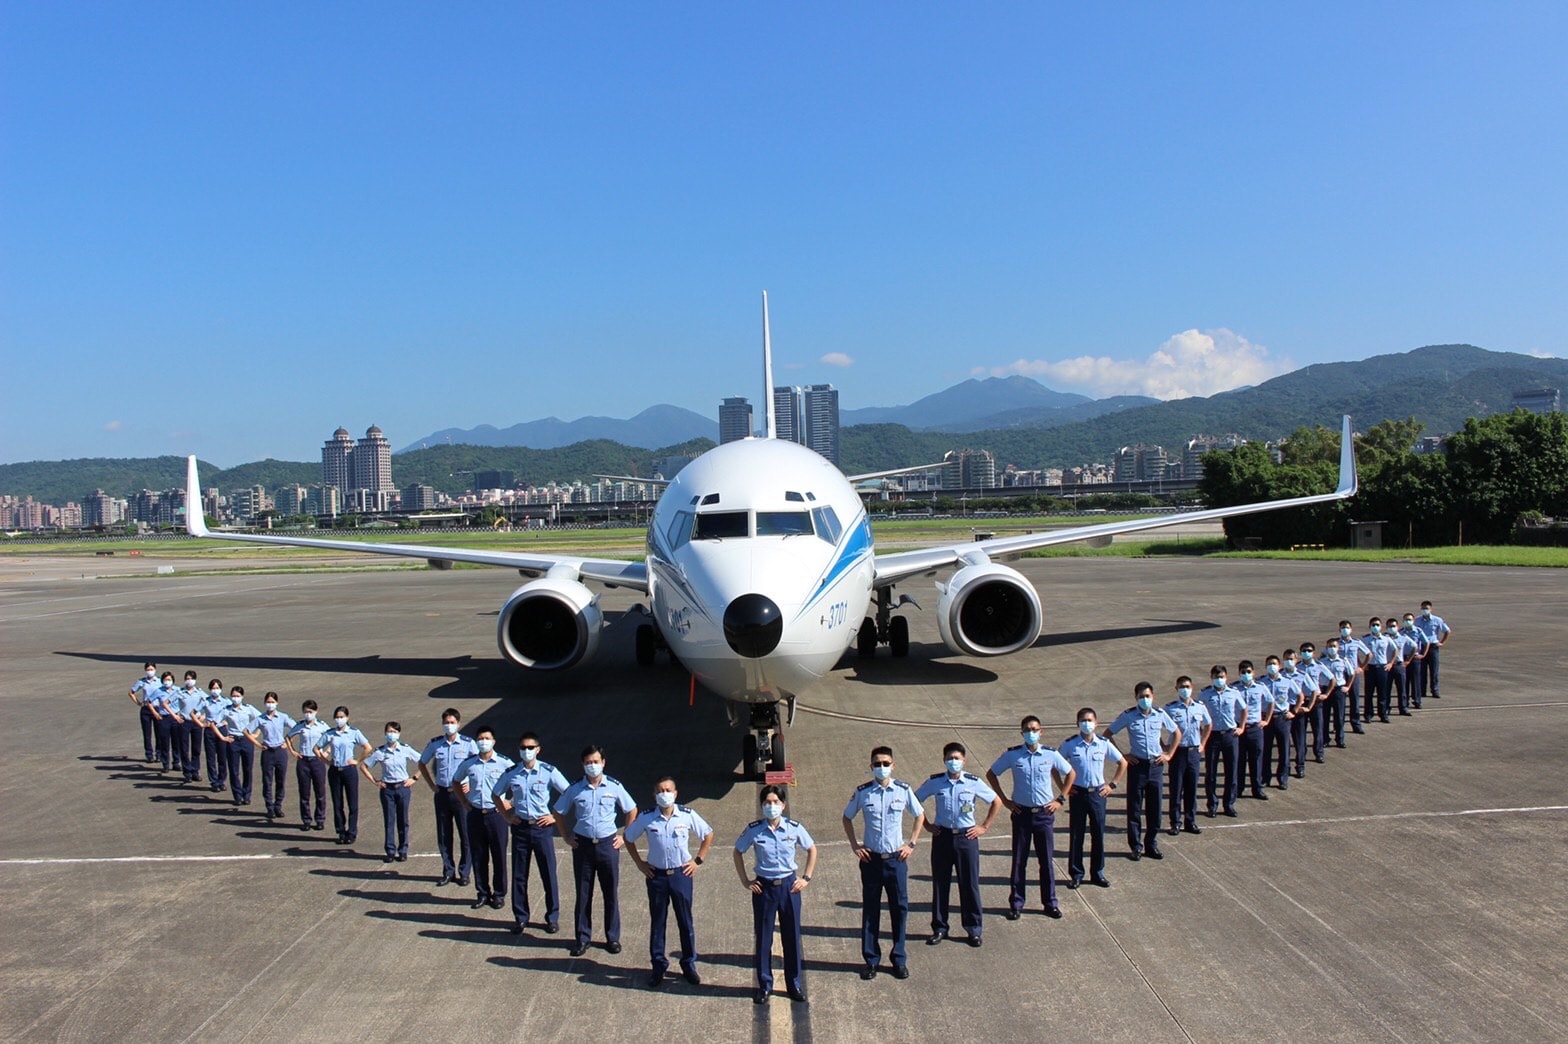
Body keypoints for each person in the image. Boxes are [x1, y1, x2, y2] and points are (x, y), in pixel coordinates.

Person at [843, 746, 925, 979]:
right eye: (877, 764)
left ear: (893, 765)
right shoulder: (863, 792)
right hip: (871, 860)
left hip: (896, 860)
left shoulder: (903, 790)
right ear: (871, 767)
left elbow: (919, 815)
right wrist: (855, 845)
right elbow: (847, 817)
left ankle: (899, 958)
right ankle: (871, 960)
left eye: (886, 763)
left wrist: (911, 844)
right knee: (871, 910)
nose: (882, 767)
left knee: (899, 909)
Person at [625, 777, 714, 988]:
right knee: (658, 922)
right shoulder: (647, 817)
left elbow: (708, 834)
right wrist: (640, 863)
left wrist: (698, 860)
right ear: (654, 795)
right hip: (657, 877)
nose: (664, 794)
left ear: (675, 793)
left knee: (685, 922)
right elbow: (628, 838)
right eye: (660, 791)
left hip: (681, 875)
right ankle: (658, 966)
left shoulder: (687, 815)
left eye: (667, 790)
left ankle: (688, 964)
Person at [733, 785, 817, 1005]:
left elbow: (811, 849)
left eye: (775, 802)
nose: (771, 806)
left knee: (792, 936)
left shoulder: (794, 828)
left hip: (789, 887)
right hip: (764, 887)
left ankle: (794, 983)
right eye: (767, 803)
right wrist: (745, 881)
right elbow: (738, 851)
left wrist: (806, 878)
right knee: (764, 938)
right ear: (762, 806)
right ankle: (764, 984)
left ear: (783, 805)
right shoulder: (754, 830)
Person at [553, 746, 638, 957]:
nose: (592, 766)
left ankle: (612, 937)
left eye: (596, 762)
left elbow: (631, 809)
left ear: (603, 763)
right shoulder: (575, 789)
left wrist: (624, 836)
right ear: (583, 765)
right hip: (583, 846)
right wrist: (566, 836)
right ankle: (583, 938)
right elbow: (558, 811)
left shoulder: (614, 786)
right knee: (583, 894)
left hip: (607, 845)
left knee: (610, 893)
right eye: (588, 762)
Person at [985, 718, 1073, 921]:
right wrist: (1005, 800)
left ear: (1041, 732)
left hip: (1044, 814)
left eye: (1034, 729)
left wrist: (1060, 799)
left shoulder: (1051, 754)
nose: (1031, 733)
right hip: (1021, 814)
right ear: (1021, 733)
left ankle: (1050, 903)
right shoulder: (1013, 755)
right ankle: (1016, 903)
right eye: (1027, 730)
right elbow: (992, 774)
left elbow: (1070, 773)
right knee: (1019, 861)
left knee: (1046, 861)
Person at [915, 742, 998, 947]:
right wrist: (927, 825)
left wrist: (984, 827)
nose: (953, 762)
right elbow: (915, 801)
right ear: (944, 761)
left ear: (964, 761)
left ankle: (973, 929)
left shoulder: (973, 782)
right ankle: (940, 928)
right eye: (950, 759)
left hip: (966, 838)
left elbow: (996, 801)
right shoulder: (935, 782)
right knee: (940, 884)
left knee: (969, 884)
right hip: (942, 837)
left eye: (957, 758)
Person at [493, 731, 568, 933]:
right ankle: (520, 917)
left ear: (538, 749)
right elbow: (496, 794)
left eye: (530, 747)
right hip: (520, 827)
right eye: (523, 748)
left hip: (542, 828)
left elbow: (569, 793)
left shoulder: (548, 771)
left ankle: (552, 917)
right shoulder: (512, 773)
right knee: (519, 875)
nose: (526, 751)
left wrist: (554, 816)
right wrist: (506, 816)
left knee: (548, 874)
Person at [1106, 683, 1180, 859]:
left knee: (1155, 809)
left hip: (1156, 766)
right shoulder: (1129, 715)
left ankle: (1151, 845)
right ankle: (1136, 846)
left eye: (1147, 696)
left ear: (1153, 696)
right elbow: (1107, 735)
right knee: (1134, 809)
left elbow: (1177, 733)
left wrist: (1169, 754)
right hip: (1137, 766)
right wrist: (1123, 756)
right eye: (1141, 697)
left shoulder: (1160, 714)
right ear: (1136, 698)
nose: (1145, 699)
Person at [1060, 708, 1127, 888]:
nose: (1086, 723)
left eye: (1090, 720)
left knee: (1098, 834)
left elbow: (1122, 762)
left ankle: (1097, 873)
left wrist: (1112, 785)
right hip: (1078, 794)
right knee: (1077, 835)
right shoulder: (1070, 745)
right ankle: (1076, 873)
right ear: (1077, 723)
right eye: (1083, 720)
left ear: (1096, 723)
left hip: (1098, 794)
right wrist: (1064, 789)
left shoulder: (1103, 743)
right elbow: (1055, 766)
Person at [451, 726, 513, 910]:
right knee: (479, 856)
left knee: (499, 856)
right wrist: (464, 801)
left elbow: (520, 782)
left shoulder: (504, 763)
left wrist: (510, 802)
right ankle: (483, 893)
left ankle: (499, 894)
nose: (483, 741)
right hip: (475, 814)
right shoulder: (469, 763)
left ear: (493, 741)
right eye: (480, 738)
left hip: (497, 815)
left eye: (487, 738)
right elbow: (456, 781)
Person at [418, 708, 478, 887]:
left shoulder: (468, 743)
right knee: (444, 834)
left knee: (465, 834)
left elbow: (478, 765)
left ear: (458, 724)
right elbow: (422, 763)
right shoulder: (436, 744)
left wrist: (470, 784)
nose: (449, 725)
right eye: (446, 722)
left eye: (452, 722)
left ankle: (464, 872)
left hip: (461, 794)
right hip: (442, 793)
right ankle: (448, 871)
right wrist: (432, 785)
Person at [360, 722, 423, 864]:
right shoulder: (380, 752)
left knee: (403, 820)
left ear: (399, 734)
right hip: (387, 789)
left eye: (394, 732)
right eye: (389, 731)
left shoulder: (405, 749)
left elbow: (422, 762)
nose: (391, 734)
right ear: (385, 733)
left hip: (403, 787)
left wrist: (414, 778)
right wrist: (375, 781)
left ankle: (403, 850)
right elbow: (364, 766)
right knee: (389, 820)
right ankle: (390, 850)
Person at [316, 706, 371, 844]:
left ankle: (352, 832)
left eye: (342, 717)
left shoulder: (353, 732)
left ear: (347, 717)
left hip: (349, 770)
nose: (339, 719)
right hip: (335, 770)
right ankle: (340, 831)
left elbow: (367, 747)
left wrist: (357, 760)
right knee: (337, 802)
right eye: (337, 717)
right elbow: (316, 748)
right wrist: (326, 761)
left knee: (352, 803)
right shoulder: (330, 733)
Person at [1164, 676, 1211, 835]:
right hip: (1178, 752)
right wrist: (1164, 746)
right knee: (1176, 789)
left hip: (1193, 752)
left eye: (1187, 686)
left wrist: (1203, 743)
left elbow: (1208, 724)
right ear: (1176, 689)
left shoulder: (1199, 706)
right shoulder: (1170, 708)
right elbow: (1156, 725)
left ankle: (1190, 821)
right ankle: (1175, 823)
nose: (1185, 689)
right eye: (1181, 687)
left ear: (1192, 687)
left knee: (1192, 789)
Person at [1200, 666, 1246, 818]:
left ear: (1226, 677)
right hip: (1212, 736)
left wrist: (1241, 727)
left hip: (1230, 735)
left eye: (1222, 676)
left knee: (1231, 771)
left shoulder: (1233, 692)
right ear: (1211, 678)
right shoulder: (1205, 694)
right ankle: (1212, 805)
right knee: (1211, 773)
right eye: (1216, 677)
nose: (1219, 679)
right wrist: (1202, 734)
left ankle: (1229, 804)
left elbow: (1244, 709)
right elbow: (1197, 712)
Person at [285, 699, 329, 831]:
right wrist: (293, 751)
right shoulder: (300, 726)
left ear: (316, 711)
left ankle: (320, 819)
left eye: (310, 712)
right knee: (304, 793)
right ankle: (306, 820)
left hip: (317, 760)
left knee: (320, 792)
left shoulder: (322, 726)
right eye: (305, 712)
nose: (308, 714)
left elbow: (332, 738)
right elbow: (288, 737)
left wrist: (326, 752)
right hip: (303, 760)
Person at [214, 685, 261, 806]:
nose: (236, 698)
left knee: (247, 769)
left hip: (246, 739)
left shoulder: (248, 708)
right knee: (234, 770)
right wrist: (222, 737)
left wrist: (256, 734)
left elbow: (261, 719)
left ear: (242, 696)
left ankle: (247, 795)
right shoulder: (226, 710)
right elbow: (213, 723)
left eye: (238, 696)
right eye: (234, 696)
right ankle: (237, 795)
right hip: (233, 740)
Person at [1233, 660, 1272, 799]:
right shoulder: (1234, 689)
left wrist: (1266, 720)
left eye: (1248, 672)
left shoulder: (1260, 687)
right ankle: (1239, 788)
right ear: (1239, 673)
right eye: (1243, 672)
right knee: (1239, 760)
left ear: (1253, 672)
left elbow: (1271, 702)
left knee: (1256, 760)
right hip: (1239, 728)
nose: (1246, 674)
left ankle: (1257, 789)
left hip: (1255, 728)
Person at [254, 692, 296, 819]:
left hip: (280, 751)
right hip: (267, 751)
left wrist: (288, 743)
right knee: (267, 781)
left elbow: (296, 728)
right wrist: (258, 744)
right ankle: (269, 807)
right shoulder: (260, 718)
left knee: (280, 780)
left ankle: (278, 805)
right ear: (264, 703)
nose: (270, 704)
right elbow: (246, 731)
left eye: (272, 702)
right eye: (268, 702)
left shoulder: (282, 717)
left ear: (277, 703)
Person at [1261, 655, 1298, 790]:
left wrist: (1294, 711)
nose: (1272, 666)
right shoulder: (1261, 682)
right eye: (1269, 664)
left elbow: (1299, 695)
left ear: (1279, 666)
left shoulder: (1287, 681)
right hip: (1267, 719)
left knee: (1284, 749)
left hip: (1282, 718)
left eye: (1274, 664)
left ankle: (1283, 778)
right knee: (1266, 750)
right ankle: (1265, 777)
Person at [1298, 643, 1334, 762]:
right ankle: (1302, 754)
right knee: (1301, 731)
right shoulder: (1297, 667)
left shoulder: (1319, 665)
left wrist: (1326, 694)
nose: (1306, 653)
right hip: (1303, 702)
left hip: (1316, 701)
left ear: (1313, 652)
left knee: (1318, 729)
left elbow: (1332, 679)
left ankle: (1319, 753)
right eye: (1304, 651)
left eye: (1309, 650)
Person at [194, 679, 230, 793]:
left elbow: (233, 712)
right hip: (209, 731)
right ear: (210, 689)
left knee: (222, 757)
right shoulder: (206, 701)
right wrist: (201, 724)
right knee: (211, 757)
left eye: (217, 688)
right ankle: (214, 781)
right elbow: (193, 713)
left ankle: (221, 780)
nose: (215, 690)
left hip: (221, 729)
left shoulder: (225, 701)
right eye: (213, 688)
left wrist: (227, 721)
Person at [1318, 638, 1354, 749]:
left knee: (1339, 716)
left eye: (1334, 646)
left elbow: (1351, 673)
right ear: (1326, 648)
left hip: (1338, 690)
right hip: (1325, 690)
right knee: (1324, 716)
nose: (1332, 648)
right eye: (1330, 646)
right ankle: (1325, 739)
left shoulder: (1343, 660)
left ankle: (1340, 739)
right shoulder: (1321, 662)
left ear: (1338, 648)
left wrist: (1348, 687)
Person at [1362, 618, 1399, 723]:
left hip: (1382, 668)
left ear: (1381, 626)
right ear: (1370, 627)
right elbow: (1356, 651)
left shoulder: (1386, 639)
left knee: (1382, 692)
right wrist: (1362, 665)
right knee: (1369, 692)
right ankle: (1368, 714)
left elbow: (1395, 649)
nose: (1375, 627)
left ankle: (1383, 714)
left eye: (1377, 625)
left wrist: (1391, 663)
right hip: (1370, 668)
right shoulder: (1365, 639)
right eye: (1373, 625)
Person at [1414, 600, 1452, 700]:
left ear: (1431, 609)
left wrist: (1442, 642)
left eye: (1426, 608)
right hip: (1422, 646)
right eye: (1423, 608)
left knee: (1434, 670)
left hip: (1433, 646)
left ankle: (1435, 690)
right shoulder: (1417, 620)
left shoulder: (1437, 620)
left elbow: (1447, 631)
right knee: (1422, 670)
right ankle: (1422, 690)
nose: (1424, 610)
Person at [1337, 620, 1370, 735]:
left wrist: (1362, 667)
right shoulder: (1336, 643)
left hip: (1353, 674)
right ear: (1339, 630)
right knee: (1340, 702)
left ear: (1351, 629)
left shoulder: (1356, 642)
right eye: (1343, 628)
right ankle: (1338, 726)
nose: (1345, 630)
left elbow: (1369, 654)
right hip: (1340, 675)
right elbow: (1325, 655)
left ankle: (1356, 724)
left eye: (1347, 627)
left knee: (1354, 700)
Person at [146, 671, 180, 773]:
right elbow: (149, 701)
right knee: (164, 742)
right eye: (165, 680)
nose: (167, 682)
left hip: (176, 717)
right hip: (164, 718)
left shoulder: (177, 690)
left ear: (173, 680)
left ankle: (176, 762)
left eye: (169, 679)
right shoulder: (159, 691)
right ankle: (165, 764)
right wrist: (155, 713)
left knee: (176, 741)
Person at [126, 662, 160, 763]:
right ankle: (149, 754)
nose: (150, 671)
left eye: (152, 669)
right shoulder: (142, 681)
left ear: (155, 669)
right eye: (148, 670)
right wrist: (138, 703)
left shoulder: (159, 681)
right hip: (146, 709)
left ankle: (159, 753)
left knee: (159, 733)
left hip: (157, 708)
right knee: (147, 733)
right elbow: (131, 692)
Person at [176, 672, 206, 784]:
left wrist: (204, 716)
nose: (189, 681)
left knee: (196, 748)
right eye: (187, 678)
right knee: (184, 748)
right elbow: (167, 703)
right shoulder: (180, 692)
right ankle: (187, 771)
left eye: (191, 678)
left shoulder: (199, 692)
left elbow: (209, 704)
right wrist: (176, 715)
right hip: (185, 721)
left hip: (196, 722)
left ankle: (195, 771)